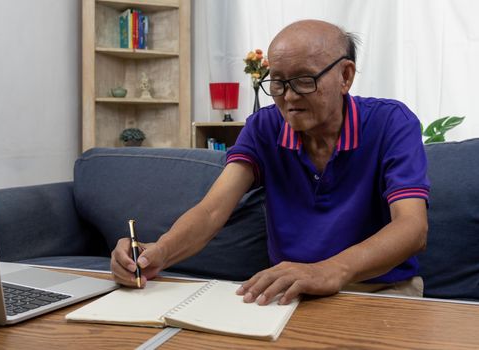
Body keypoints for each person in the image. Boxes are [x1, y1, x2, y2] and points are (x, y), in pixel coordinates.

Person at [111, 19, 429, 305]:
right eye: (277, 83)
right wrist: (159, 253)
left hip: (382, 290)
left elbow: (412, 227)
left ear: (345, 76)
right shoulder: (264, 127)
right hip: (294, 293)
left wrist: (331, 271)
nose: (288, 97)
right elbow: (211, 210)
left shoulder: (391, 123)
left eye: (304, 80)